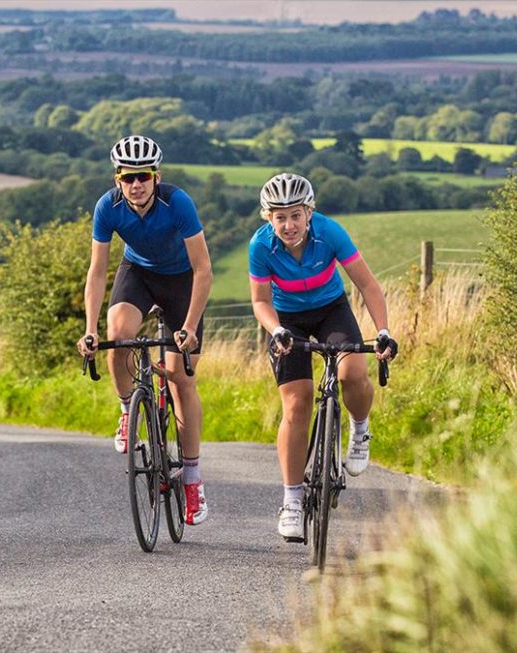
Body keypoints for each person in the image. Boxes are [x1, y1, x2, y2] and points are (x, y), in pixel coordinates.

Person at [248, 172, 398, 542]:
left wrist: (382, 331)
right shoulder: (260, 246)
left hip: (332, 309)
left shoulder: (330, 233)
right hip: (287, 320)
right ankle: (292, 501)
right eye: (280, 217)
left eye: (296, 215)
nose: (289, 224)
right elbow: (260, 301)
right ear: (269, 218)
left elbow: (368, 285)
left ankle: (360, 430)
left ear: (309, 212)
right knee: (297, 405)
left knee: (351, 372)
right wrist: (276, 331)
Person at [77, 135, 214, 526]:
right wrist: (90, 329)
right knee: (117, 336)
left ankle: (191, 480)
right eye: (128, 177)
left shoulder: (178, 203)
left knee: (180, 378)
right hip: (137, 273)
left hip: (181, 281)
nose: (136, 185)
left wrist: (188, 327)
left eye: (143, 176)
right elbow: (98, 271)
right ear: (117, 179)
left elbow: (204, 269)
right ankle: (126, 409)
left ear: (156, 176)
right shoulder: (108, 207)